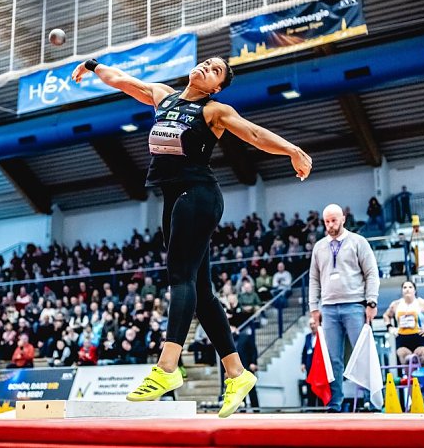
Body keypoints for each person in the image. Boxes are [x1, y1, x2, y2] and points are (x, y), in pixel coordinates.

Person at [71, 56, 312, 418]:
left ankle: (167, 367)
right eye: (207, 62)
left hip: (198, 196)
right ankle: (237, 373)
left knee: (180, 279)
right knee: (200, 293)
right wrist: (91, 66)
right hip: (174, 198)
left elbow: (255, 134)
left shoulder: (215, 110)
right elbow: (120, 80)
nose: (205, 67)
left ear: (215, 87)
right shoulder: (163, 97)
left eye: (215, 70)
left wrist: (292, 150)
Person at [308, 203, 379, 412]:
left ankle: (370, 400)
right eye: (327, 221)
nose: (331, 225)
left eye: (334, 220)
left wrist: (371, 301)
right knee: (333, 360)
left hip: (355, 305)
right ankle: (334, 403)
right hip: (328, 308)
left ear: (343, 218)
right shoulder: (319, 247)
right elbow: (313, 279)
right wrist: (314, 307)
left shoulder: (358, 242)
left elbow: (372, 273)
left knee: (362, 353)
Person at [382, 281, 424, 366]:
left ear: (415, 290)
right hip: (403, 339)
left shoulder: (423, 303)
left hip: (420, 337)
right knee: (406, 363)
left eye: (410, 287)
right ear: (402, 291)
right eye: (405, 287)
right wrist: (390, 328)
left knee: (423, 361)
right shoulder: (395, 305)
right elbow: (386, 316)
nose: (407, 289)